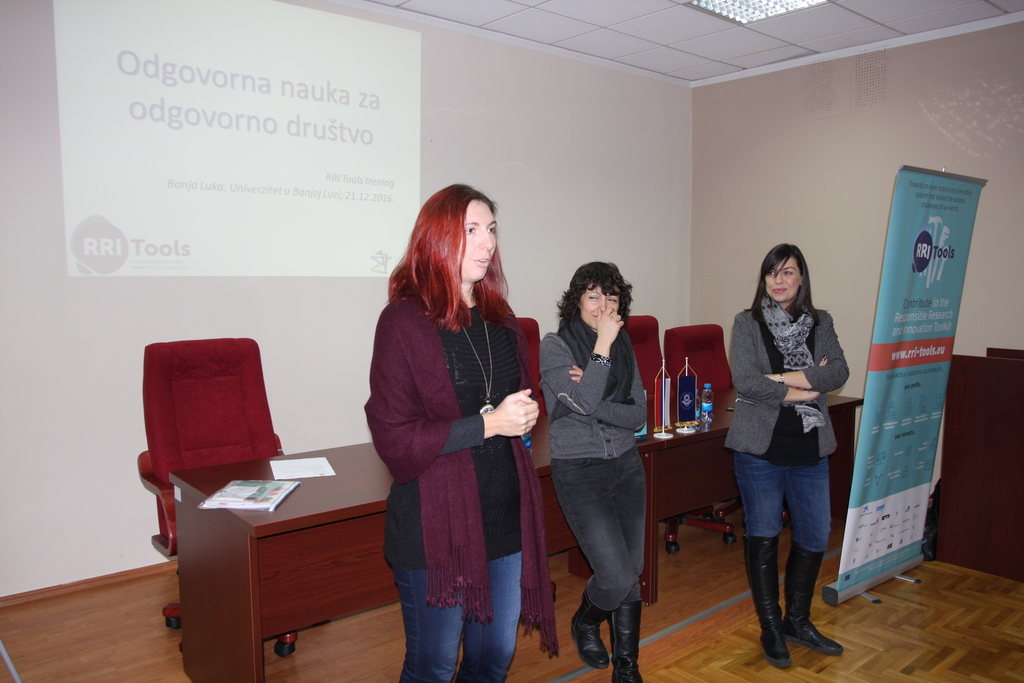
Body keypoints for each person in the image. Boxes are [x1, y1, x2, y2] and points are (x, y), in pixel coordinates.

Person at [365, 184, 558, 682]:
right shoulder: (403, 322)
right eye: (470, 230)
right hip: (436, 527)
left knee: (493, 659)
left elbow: (523, 397)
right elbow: (394, 440)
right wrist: (490, 424)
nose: (487, 242)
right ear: (436, 238)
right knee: (432, 666)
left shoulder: (502, 319)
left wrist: (525, 413)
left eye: (490, 229)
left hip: (504, 516)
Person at [725, 243, 850, 668]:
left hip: (809, 446)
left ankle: (798, 621)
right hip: (760, 449)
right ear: (764, 279)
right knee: (763, 536)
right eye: (772, 273)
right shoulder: (747, 323)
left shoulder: (821, 321)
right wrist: (802, 389)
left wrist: (778, 378)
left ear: (801, 278)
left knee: (815, 536)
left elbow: (838, 372)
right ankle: (771, 628)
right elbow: (745, 379)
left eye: (788, 272)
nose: (779, 280)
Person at [539, 262, 648, 683]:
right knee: (616, 576)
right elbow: (581, 402)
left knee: (630, 573)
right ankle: (586, 620)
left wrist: (592, 391)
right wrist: (602, 346)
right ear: (577, 301)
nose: (603, 306)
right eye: (593, 296)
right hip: (580, 470)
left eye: (612, 298)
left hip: (626, 465)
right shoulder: (555, 346)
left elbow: (637, 415)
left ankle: (627, 668)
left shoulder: (625, 345)